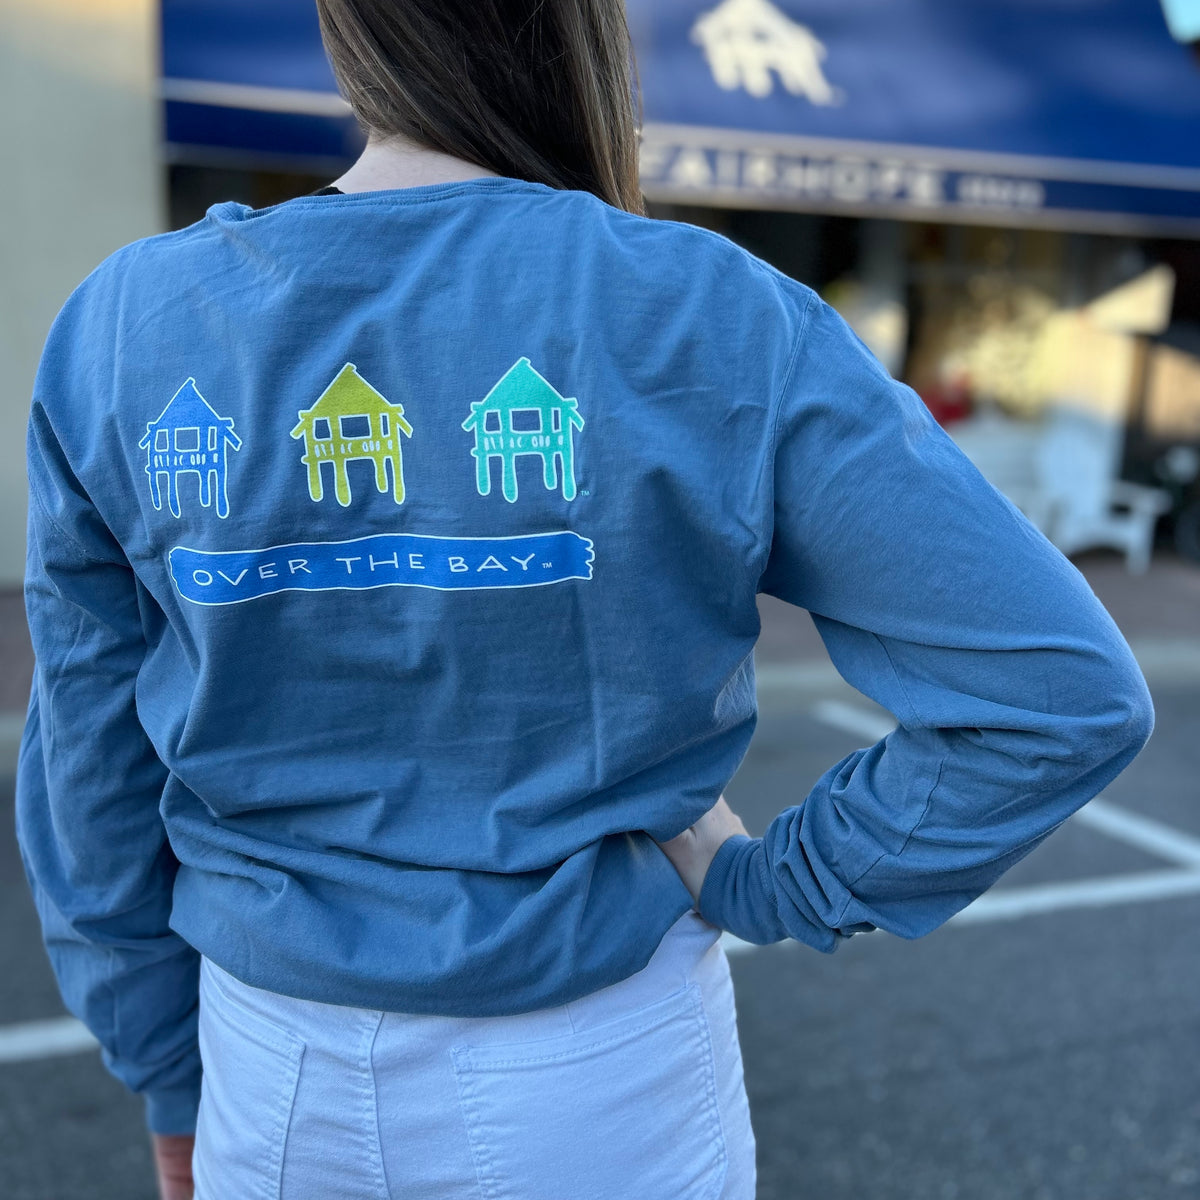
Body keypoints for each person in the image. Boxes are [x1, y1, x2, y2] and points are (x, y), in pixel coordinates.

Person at [16, 1, 1154, 1197]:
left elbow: (87, 769)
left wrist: (168, 1075)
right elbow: (1055, 692)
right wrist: (772, 882)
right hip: (604, 1083)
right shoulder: (707, 310)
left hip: (272, 1070)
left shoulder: (125, 325)